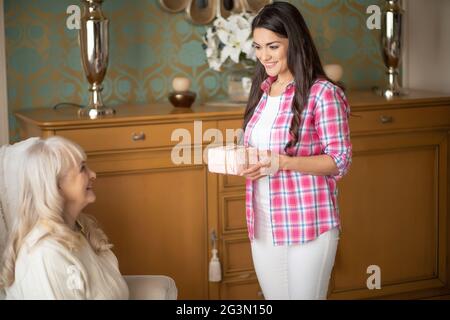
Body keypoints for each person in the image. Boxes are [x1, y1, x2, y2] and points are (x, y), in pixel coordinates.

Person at [239, 1, 352, 300]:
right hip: (263, 222)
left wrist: (283, 162)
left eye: (273, 46)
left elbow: (339, 160)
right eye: (258, 47)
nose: (264, 56)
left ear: (295, 42)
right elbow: (256, 150)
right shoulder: (262, 92)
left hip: (308, 222)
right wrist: (243, 161)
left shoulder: (323, 93)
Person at [0, 136, 175, 299]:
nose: (93, 174)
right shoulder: (45, 254)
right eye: (82, 168)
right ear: (56, 185)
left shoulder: (79, 227)